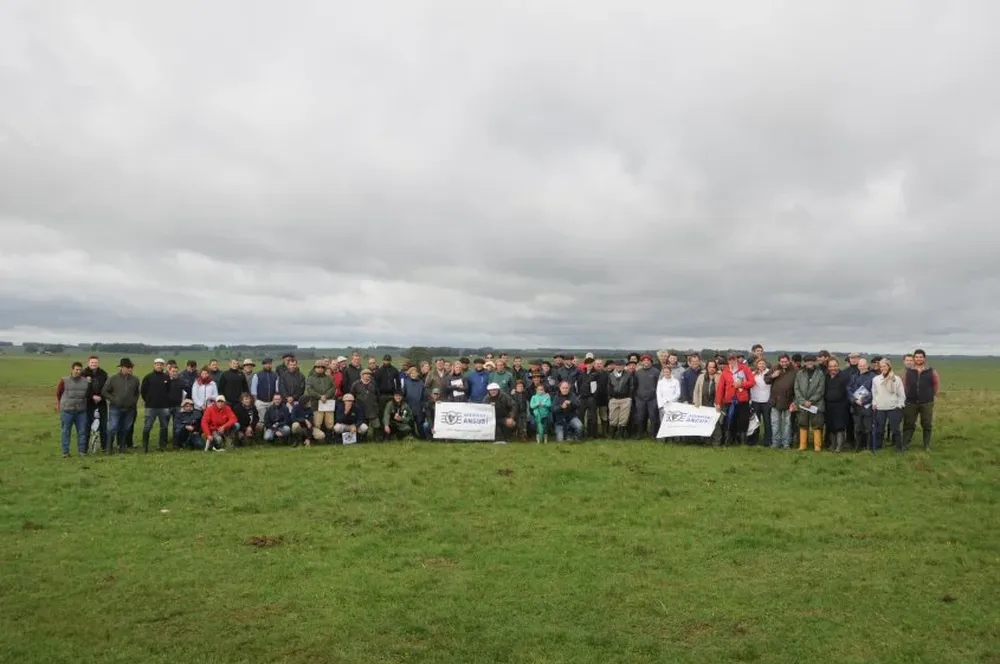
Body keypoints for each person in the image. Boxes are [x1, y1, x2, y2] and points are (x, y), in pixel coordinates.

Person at [903, 349, 939, 451]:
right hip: (911, 402)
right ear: (914, 358)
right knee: (908, 423)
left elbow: (936, 385)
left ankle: (926, 445)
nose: (918, 359)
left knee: (927, 424)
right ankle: (905, 444)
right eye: (917, 357)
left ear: (924, 358)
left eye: (920, 357)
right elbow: (906, 385)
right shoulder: (909, 371)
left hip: (926, 402)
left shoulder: (931, 371)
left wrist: (930, 395)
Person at [716, 354, 756, 446]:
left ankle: (742, 441)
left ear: (736, 360)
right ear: (728, 361)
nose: (731, 361)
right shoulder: (725, 371)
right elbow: (720, 388)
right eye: (729, 360)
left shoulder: (744, 369)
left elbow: (752, 382)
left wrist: (741, 385)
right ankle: (729, 440)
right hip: (729, 401)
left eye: (733, 359)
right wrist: (718, 403)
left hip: (742, 400)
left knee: (743, 421)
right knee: (729, 421)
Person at [102, 358, 140, 454]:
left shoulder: (135, 380)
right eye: (127, 367)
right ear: (122, 367)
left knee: (126, 428)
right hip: (115, 408)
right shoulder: (113, 378)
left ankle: (122, 447)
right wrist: (114, 400)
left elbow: (136, 393)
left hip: (129, 409)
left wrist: (133, 401)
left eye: (130, 367)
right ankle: (109, 448)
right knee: (113, 427)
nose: (129, 369)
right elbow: (104, 391)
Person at [55, 361, 89, 457]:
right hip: (67, 410)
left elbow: (88, 394)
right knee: (66, 431)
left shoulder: (85, 381)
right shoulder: (64, 380)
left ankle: (82, 451)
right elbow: (58, 393)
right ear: (72, 369)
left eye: (80, 370)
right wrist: (59, 404)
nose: (78, 371)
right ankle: (65, 452)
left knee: (82, 431)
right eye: (76, 369)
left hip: (81, 411)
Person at [794, 354, 826, 452]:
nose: (809, 362)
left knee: (817, 424)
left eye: (811, 361)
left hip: (816, 404)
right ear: (805, 362)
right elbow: (796, 388)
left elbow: (821, 389)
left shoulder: (820, 373)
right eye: (807, 361)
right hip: (803, 404)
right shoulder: (800, 373)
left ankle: (817, 446)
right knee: (803, 423)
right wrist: (803, 401)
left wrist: (811, 401)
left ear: (814, 361)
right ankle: (803, 445)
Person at [872, 359, 905, 453]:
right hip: (880, 408)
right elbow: (874, 393)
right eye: (881, 367)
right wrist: (874, 404)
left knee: (895, 430)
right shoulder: (876, 379)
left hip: (893, 408)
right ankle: (878, 447)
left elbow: (901, 394)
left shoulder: (896, 379)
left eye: (885, 366)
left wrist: (899, 405)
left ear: (889, 366)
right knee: (880, 429)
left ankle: (899, 448)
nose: (883, 368)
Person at [140, 358, 173, 453]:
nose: (159, 366)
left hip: (163, 407)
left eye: (161, 364)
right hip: (151, 407)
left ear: (163, 366)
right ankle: (145, 446)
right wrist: (149, 400)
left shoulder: (166, 377)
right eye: (157, 364)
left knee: (164, 427)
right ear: (154, 365)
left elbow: (168, 390)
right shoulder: (148, 377)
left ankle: (162, 446)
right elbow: (143, 391)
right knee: (148, 426)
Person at [765, 354, 797, 449]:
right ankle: (775, 443)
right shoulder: (775, 368)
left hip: (789, 401)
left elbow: (798, 385)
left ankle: (786, 443)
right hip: (775, 401)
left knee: (788, 424)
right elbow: (766, 380)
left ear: (789, 361)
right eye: (782, 362)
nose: (784, 363)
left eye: (785, 361)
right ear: (779, 361)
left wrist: (795, 401)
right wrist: (772, 376)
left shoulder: (795, 371)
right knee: (775, 423)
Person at [847, 358, 875, 452]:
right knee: (858, 428)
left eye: (863, 365)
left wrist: (863, 401)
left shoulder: (873, 377)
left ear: (867, 365)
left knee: (868, 428)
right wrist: (854, 400)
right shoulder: (854, 376)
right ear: (858, 366)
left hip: (867, 406)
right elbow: (849, 389)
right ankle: (857, 447)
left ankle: (868, 447)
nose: (862, 367)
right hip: (856, 407)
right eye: (860, 365)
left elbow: (874, 391)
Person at [82, 355, 108, 454]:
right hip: (88, 403)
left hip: (101, 403)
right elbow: (82, 388)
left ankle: (104, 447)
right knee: (86, 425)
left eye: (95, 362)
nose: (94, 364)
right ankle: (84, 449)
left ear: (98, 363)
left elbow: (107, 387)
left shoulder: (103, 374)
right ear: (88, 363)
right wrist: (92, 396)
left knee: (103, 425)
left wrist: (101, 396)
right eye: (92, 362)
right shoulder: (83, 374)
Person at [693, 360, 723, 445]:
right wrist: (696, 402)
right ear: (706, 367)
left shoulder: (719, 377)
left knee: (716, 424)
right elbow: (696, 390)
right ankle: (706, 441)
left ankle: (717, 442)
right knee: (705, 423)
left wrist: (719, 404)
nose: (712, 369)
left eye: (713, 367)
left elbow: (722, 391)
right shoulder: (701, 377)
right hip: (703, 404)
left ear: (716, 368)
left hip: (715, 405)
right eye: (710, 367)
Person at [825, 358, 852, 452]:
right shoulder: (826, 376)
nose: (833, 368)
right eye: (831, 366)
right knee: (831, 426)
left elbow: (849, 391)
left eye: (835, 366)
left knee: (839, 426)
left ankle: (839, 446)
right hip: (829, 405)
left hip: (841, 406)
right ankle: (833, 445)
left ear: (838, 366)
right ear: (828, 367)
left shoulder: (845, 376)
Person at [305, 360, 336, 436]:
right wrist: (320, 397)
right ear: (314, 368)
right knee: (317, 423)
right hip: (316, 405)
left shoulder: (329, 378)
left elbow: (333, 388)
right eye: (318, 367)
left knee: (330, 423)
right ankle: (319, 439)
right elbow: (309, 390)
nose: (320, 369)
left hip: (328, 403)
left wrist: (326, 396)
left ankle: (329, 438)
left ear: (324, 368)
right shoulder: (310, 379)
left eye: (322, 367)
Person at [633, 355, 660, 439]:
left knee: (653, 417)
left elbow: (659, 385)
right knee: (640, 417)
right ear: (641, 362)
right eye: (644, 361)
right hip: (640, 399)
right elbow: (635, 385)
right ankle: (640, 433)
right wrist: (636, 396)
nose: (646, 362)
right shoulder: (638, 372)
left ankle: (653, 434)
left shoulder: (656, 372)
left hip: (652, 399)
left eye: (648, 361)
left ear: (651, 362)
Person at [606, 359, 634, 439]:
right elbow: (609, 386)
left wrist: (629, 397)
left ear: (623, 366)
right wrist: (610, 397)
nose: (619, 367)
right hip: (614, 399)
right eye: (617, 365)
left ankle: (621, 435)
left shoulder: (628, 374)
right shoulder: (611, 375)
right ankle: (611, 435)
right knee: (613, 417)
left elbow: (631, 386)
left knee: (623, 418)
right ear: (615, 366)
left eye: (621, 365)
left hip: (625, 399)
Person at [351, 369, 381, 439]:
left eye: (369, 374)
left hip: (373, 408)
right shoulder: (356, 384)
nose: (368, 375)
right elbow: (352, 395)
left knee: (376, 425)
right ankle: (363, 438)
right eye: (366, 374)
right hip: (361, 409)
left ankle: (376, 439)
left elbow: (377, 394)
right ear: (361, 375)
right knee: (364, 425)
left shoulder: (373, 383)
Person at [749, 358, 772, 446]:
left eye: (763, 363)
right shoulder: (753, 374)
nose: (761, 365)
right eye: (759, 363)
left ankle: (768, 440)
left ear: (765, 364)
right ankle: (754, 439)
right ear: (757, 365)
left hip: (767, 401)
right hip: (755, 400)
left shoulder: (769, 373)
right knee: (755, 422)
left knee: (767, 421)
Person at [401, 365, 427, 438]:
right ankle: (413, 436)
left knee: (420, 423)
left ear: (417, 374)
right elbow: (403, 393)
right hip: (409, 406)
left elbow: (424, 395)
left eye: (415, 373)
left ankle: (423, 437)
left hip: (419, 406)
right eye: (412, 373)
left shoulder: (421, 383)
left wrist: (423, 405)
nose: (413, 374)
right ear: (409, 374)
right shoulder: (406, 382)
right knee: (410, 423)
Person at [374, 355, 401, 420]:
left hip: (392, 395)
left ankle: (392, 428)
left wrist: (397, 393)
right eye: (385, 360)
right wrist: (378, 395)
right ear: (383, 360)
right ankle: (382, 429)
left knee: (392, 412)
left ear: (390, 361)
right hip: (382, 396)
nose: (387, 362)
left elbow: (398, 383)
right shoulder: (379, 371)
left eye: (388, 360)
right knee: (382, 413)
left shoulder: (394, 370)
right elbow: (376, 384)